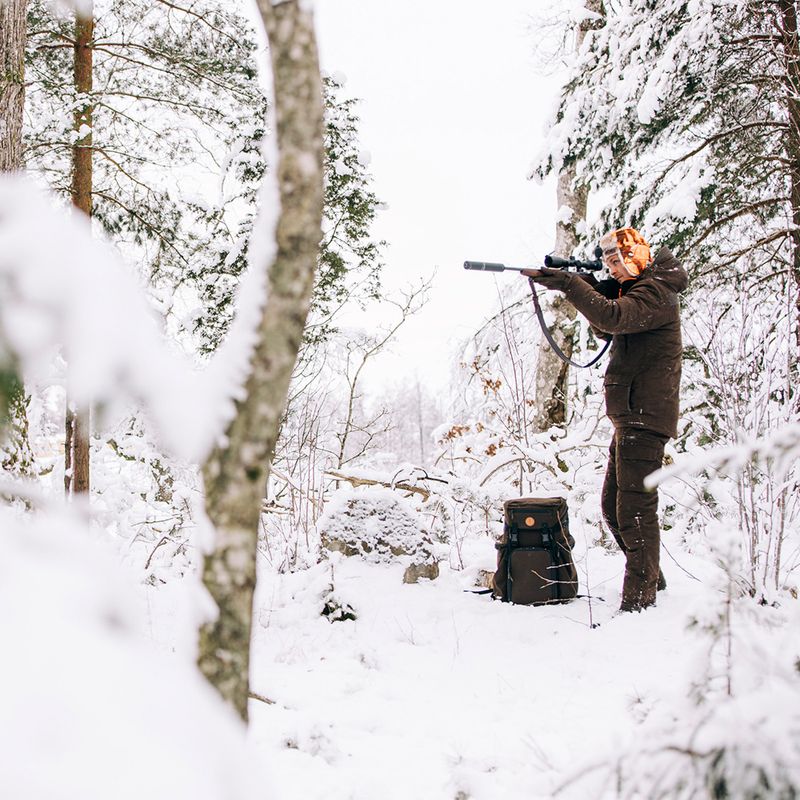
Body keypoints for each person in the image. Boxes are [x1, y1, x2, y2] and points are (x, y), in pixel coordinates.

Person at [522, 228, 688, 612]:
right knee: (613, 506)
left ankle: (639, 601)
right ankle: (651, 578)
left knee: (633, 510)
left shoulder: (656, 292)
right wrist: (588, 286)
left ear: (635, 257)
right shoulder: (640, 291)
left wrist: (571, 285)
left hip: (645, 417)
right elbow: (605, 327)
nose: (611, 269)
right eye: (608, 262)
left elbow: (612, 317)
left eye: (616, 261)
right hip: (631, 416)